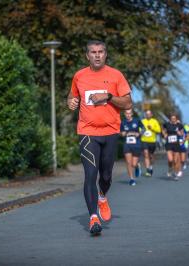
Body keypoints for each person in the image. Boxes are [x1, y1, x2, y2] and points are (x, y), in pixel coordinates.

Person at [67, 40, 132, 236]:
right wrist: (70, 102)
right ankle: (93, 217)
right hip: (87, 132)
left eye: (101, 52)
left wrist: (109, 97)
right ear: (87, 55)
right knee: (90, 175)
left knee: (106, 176)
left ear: (106, 54)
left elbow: (128, 102)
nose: (97, 55)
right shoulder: (79, 76)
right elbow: (71, 96)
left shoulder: (116, 75)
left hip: (111, 131)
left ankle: (102, 196)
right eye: (93, 52)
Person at [120, 109, 144, 186]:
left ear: (132, 114)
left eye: (129, 113)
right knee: (128, 162)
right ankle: (131, 179)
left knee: (134, 164)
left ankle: (137, 166)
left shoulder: (137, 121)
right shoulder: (123, 122)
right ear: (124, 114)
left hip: (136, 144)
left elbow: (143, 129)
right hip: (127, 144)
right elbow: (121, 132)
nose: (128, 115)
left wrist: (139, 134)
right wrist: (123, 134)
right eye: (127, 113)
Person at [162, 114, 184, 180]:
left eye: (174, 118)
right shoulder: (167, 124)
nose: (173, 119)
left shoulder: (179, 125)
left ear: (176, 119)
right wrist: (164, 134)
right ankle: (170, 169)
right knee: (170, 160)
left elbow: (182, 133)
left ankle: (176, 174)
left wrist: (179, 133)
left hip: (176, 144)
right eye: (172, 118)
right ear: (170, 119)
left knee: (175, 160)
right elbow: (162, 128)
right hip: (169, 144)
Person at [140, 110, 161, 177]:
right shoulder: (142, 121)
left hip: (152, 141)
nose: (148, 115)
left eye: (149, 114)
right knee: (146, 154)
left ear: (151, 115)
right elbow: (139, 130)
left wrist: (152, 128)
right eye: (146, 114)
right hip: (144, 140)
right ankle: (148, 170)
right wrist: (141, 132)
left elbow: (159, 131)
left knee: (151, 156)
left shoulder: (155, 121)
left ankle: (151, 166)